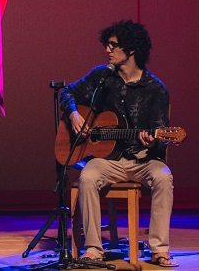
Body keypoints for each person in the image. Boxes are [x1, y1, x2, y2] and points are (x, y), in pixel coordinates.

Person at [60, 20, 176, 268]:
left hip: (143, 160)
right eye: (107, 45)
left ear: (131, 49)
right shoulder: (102, 77)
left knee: (164, 177)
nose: (107, 50)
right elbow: (66, 92)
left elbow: (159, 137)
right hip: (108, 160)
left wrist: (151, 140)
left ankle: (159, 249)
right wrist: (74, 114)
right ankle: (93, 249)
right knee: (88, 176)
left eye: (113, 45)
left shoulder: (155, 89)